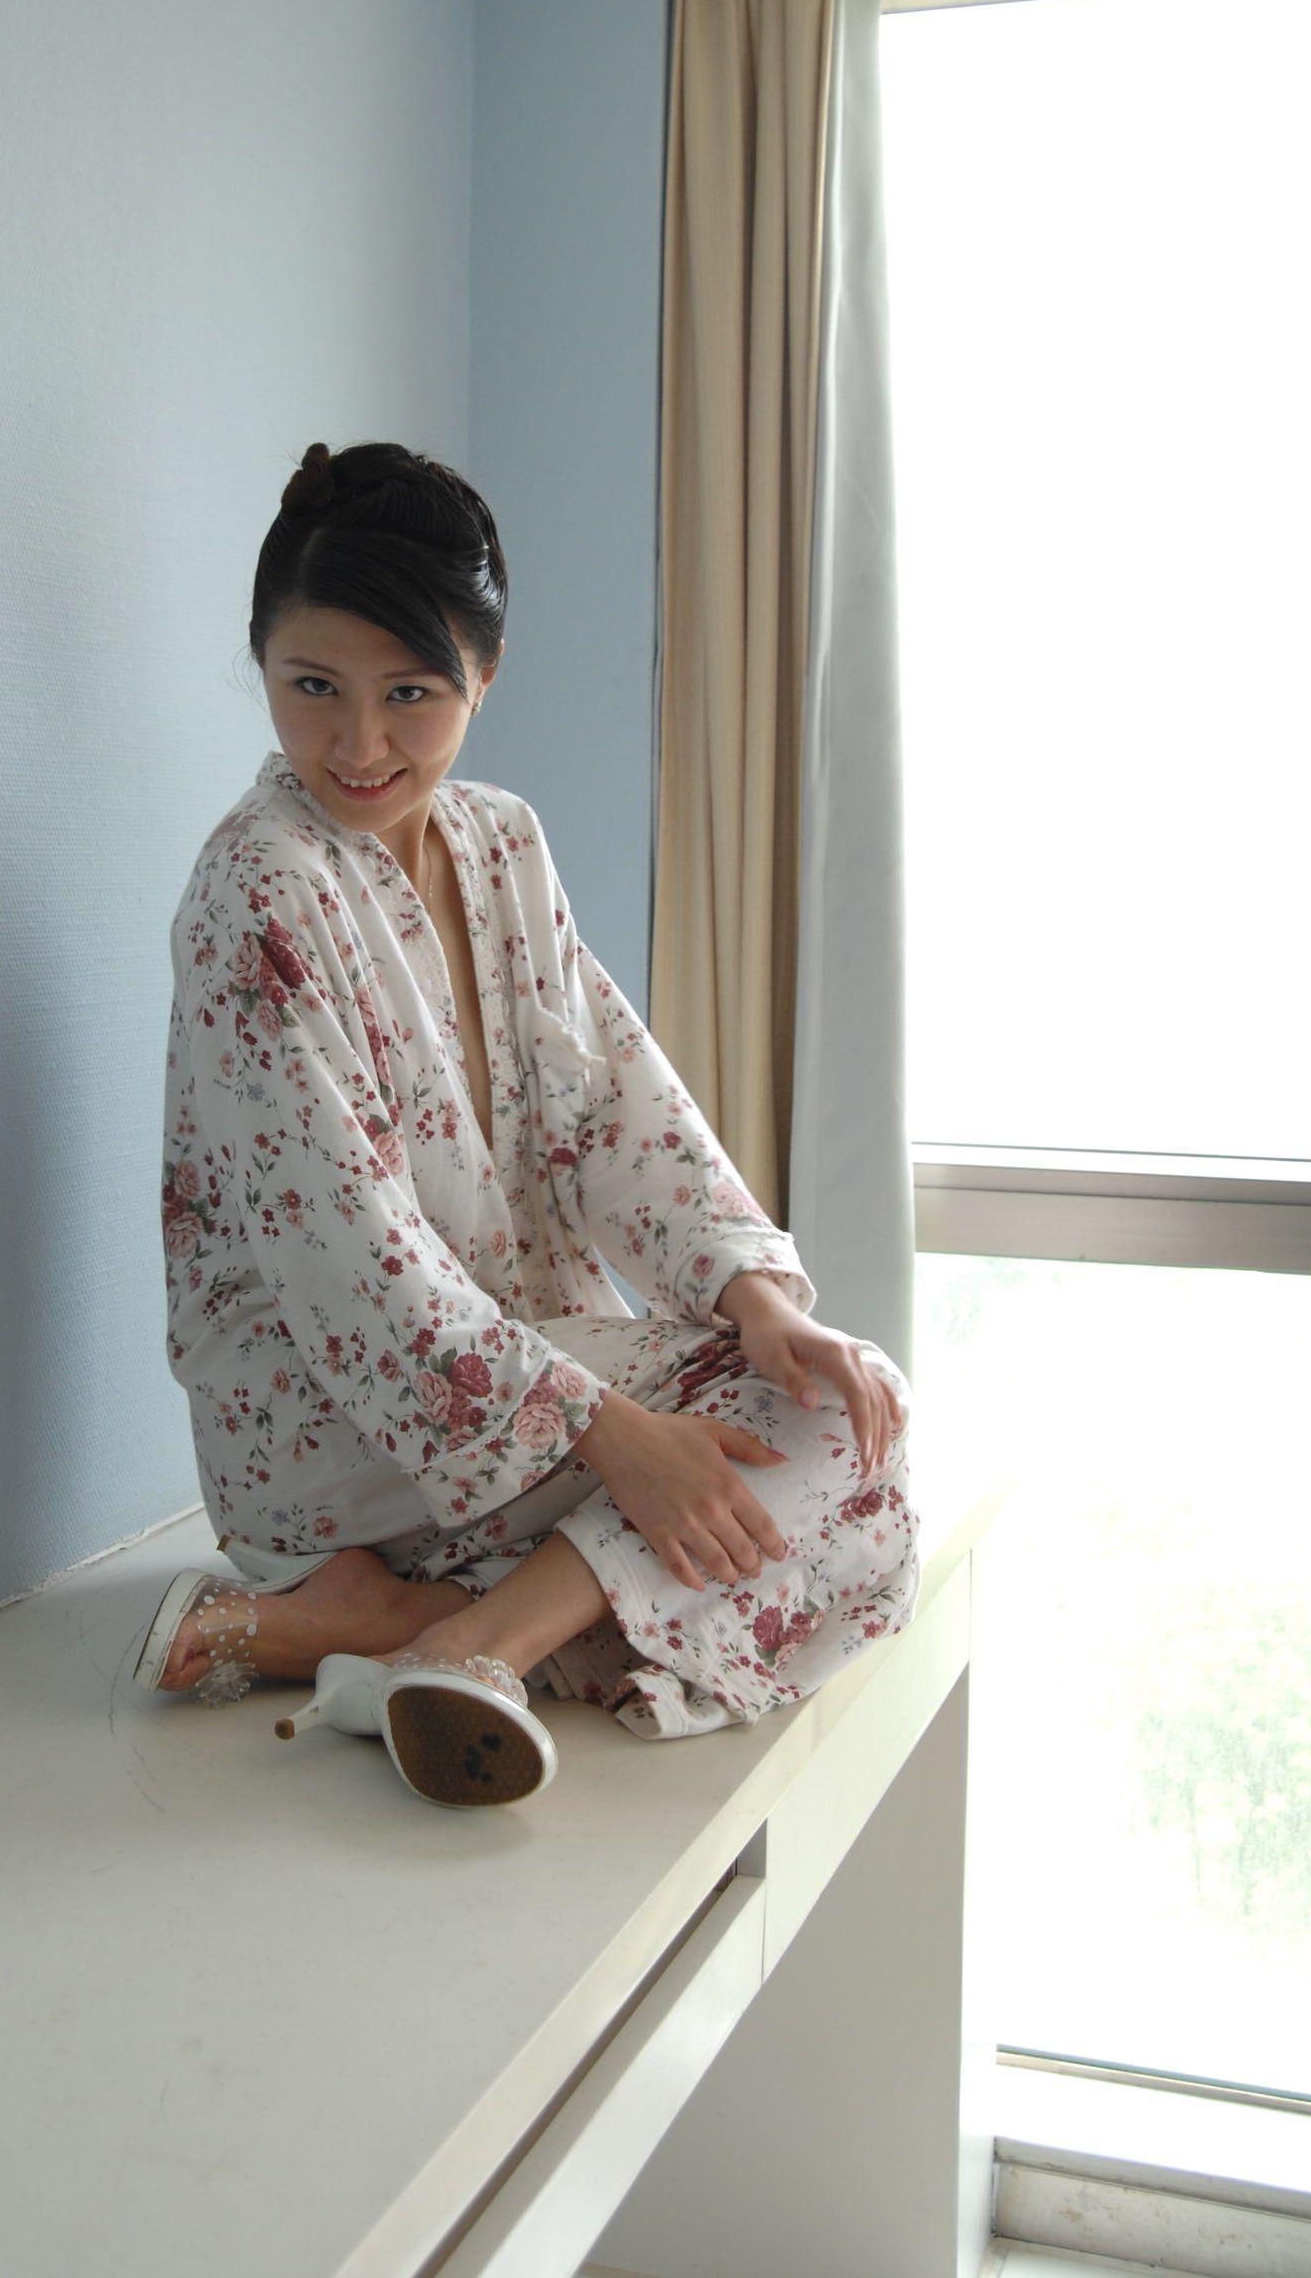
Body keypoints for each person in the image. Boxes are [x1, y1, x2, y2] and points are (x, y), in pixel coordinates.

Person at [141, 438, 918, 1788]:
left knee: (839, 1404)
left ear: (484, 676)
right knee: (825, 1457)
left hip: (513, 1383)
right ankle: (475, 1636)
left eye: (410, 693)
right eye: (313, 687)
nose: (359, 744)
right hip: (331, 1419)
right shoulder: (257, 892)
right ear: (262, 664)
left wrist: (758, 1303)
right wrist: (619, 1437)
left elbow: (620, 1104)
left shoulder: (500, 843)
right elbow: (354, 1267)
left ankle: (397, 1628)